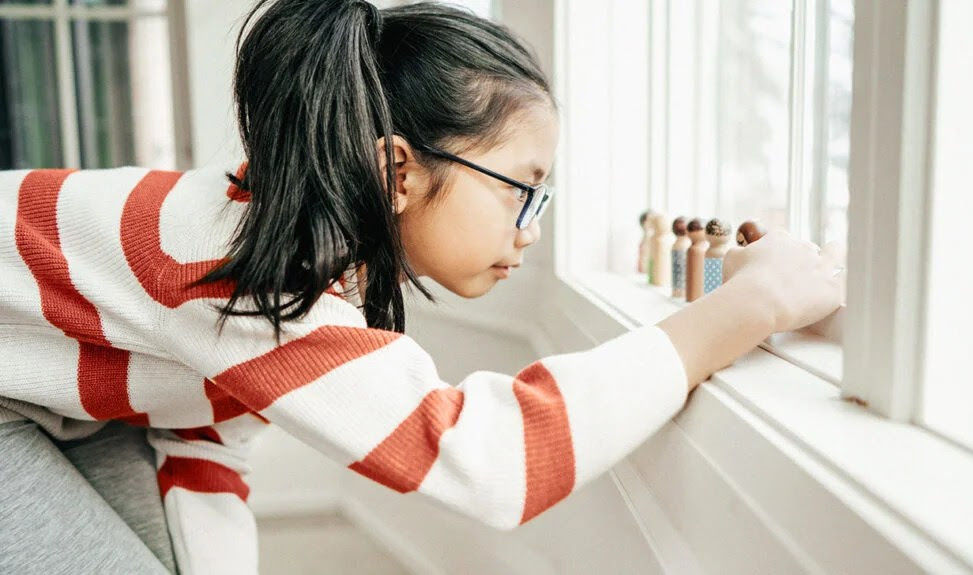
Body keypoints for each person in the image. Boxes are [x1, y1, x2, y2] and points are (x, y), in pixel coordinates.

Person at [0, 0, 843, 573]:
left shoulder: (294, 249)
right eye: (524, 186)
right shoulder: (244, 269)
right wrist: (749, 306)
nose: (533, 227)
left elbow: (200, 431)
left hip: (55, 411)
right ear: (397, 169)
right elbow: (495, 459)